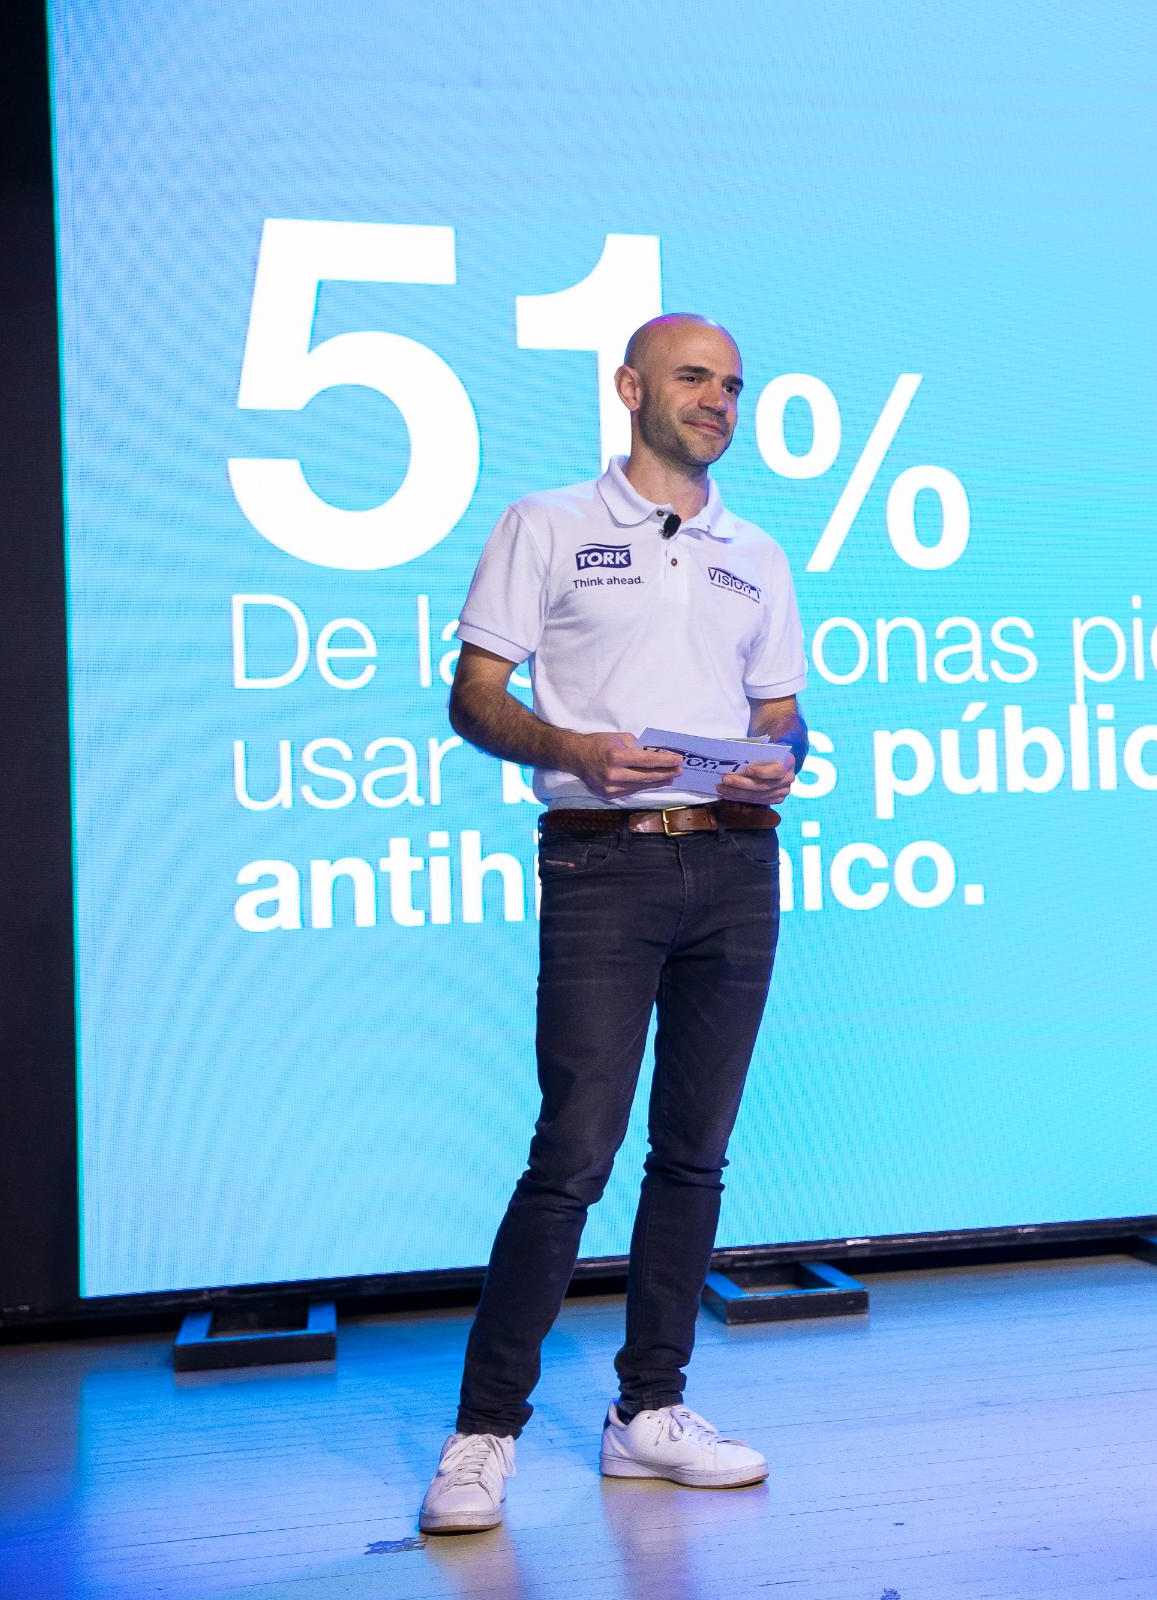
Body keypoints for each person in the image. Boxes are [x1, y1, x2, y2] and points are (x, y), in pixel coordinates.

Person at [419, 314, 809, 1532]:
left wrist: (781, 757)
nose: (718, 400)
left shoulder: (756, 551)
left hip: (736, 860)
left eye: (732, 385)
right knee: (573, 1152)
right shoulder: (545, 524)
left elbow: (782, 716)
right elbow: (474, 697)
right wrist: (578, 748)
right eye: (694, 379)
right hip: (603, 861)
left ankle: (650, 1409)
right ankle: (483, 1434)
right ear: (631, 388)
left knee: (694, 1152)